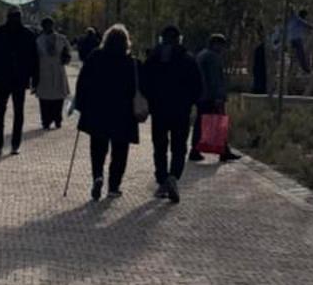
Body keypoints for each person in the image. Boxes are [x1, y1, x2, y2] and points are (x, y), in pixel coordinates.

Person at [74, 23, 140, 200]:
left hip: (98, 109)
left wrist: (81, 104)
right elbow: (136, 87)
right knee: (120, 150)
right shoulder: (130, 62)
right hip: (122, 112)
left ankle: (97, 176)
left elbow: (83, 81)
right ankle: (114, 186)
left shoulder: (95, 56)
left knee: (98, 147)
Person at [139, 22, 202, 204]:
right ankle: (174, 176)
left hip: (159, 111)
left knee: (159, 147)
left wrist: (152, 100)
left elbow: (143, 82)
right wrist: (191, 102)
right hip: (180, 111)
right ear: (179, 39)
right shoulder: (188, 59)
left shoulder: (153, 58)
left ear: (162, 39)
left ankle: (162, 180)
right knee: (179, 147)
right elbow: (197, 85)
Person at [0, 7, 38, 155]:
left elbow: (34, 59)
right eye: (14, 17)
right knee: (4, 113)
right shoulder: (0, 34)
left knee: (11, 113)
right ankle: (4, 144)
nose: (16, 19)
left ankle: (9, 145)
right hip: (7, 79)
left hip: (15, 79)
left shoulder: (26, 35)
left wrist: (35, 79)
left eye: (17, 17)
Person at [190, 32, 242, 163]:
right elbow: (215, 80)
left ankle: (195, 150)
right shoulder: (213, 57)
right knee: (219, 123)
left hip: (201, 96)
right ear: (216, 44)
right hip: (211, 96)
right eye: (222, 46)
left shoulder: (201, 55)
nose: (223, 49)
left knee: (200, 124)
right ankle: (223, 151)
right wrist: (219, 97)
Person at [35, 17, 71, 129]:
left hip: (57, 70)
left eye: (49, 25)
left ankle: (57, 119)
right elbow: (34, 58)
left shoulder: (62, 39)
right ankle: (46, 120)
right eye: (46, 25)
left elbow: (68, 53)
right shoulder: (38, 41)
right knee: (45, 99)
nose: (48, 27)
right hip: (44, 71)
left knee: (58, 98)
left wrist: (65, 58)